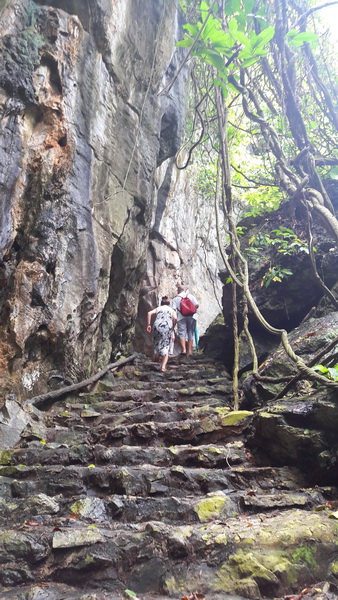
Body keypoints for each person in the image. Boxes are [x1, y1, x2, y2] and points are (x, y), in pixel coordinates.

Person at [147, 296, 177, 372]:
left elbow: (149, 313)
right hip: (167, 327)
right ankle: (163, 367)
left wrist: (149, 324)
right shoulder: (171, 310)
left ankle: (156, 357)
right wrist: (173, 326)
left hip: (156, 326)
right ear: (168, 304)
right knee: (165, 345)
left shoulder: (159, 308)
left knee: (157, 342)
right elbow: (175, 318)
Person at [172, 285, 199, 356]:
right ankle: (189, 351)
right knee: (190, 332)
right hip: (191, 317)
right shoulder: (190, 296)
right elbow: (197, 305)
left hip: (181, 318)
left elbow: (173, 310)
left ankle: (183, 349)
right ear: (184, 290)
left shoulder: (175, 299)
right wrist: (192, 310)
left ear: (178, 291)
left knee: (182, 333)